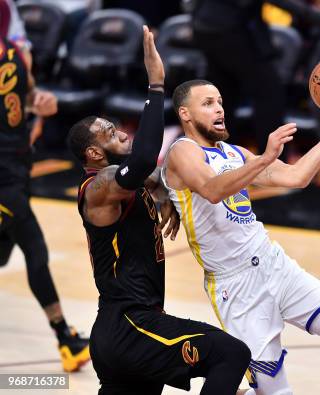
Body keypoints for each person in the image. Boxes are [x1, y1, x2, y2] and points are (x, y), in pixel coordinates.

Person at [67, 27, 250, 394]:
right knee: (230, 354)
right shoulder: (98, 188)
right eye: (110, 133)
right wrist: (156, 84)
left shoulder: (122, 184)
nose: (121, 134)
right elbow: (144, 161)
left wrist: (167, 197)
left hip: (127, 331)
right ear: (93, 153)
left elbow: (153, 175)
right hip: (130, 325)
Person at [162, 79, 320, 394]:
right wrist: (263, 158)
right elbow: (212, 189)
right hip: (235, 287)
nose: (219, 108)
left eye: (219, 101)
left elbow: (298, 176)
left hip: (274, 263)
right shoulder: (182, 151)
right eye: (207, 103)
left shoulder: (235, 153)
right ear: (185, 114)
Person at [0, 13, 91, 371]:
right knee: (34, 248)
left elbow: (29, 93)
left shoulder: (14, 51)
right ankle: (65, 339)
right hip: (3, 179)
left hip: (19, 165)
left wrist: (41, 102)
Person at [191, 0, 320, 152]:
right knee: (269, 93)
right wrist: (318, 17)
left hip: (205, 25)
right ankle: (272, 163)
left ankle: (221, 159)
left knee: (225, 96)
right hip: (229, 29)